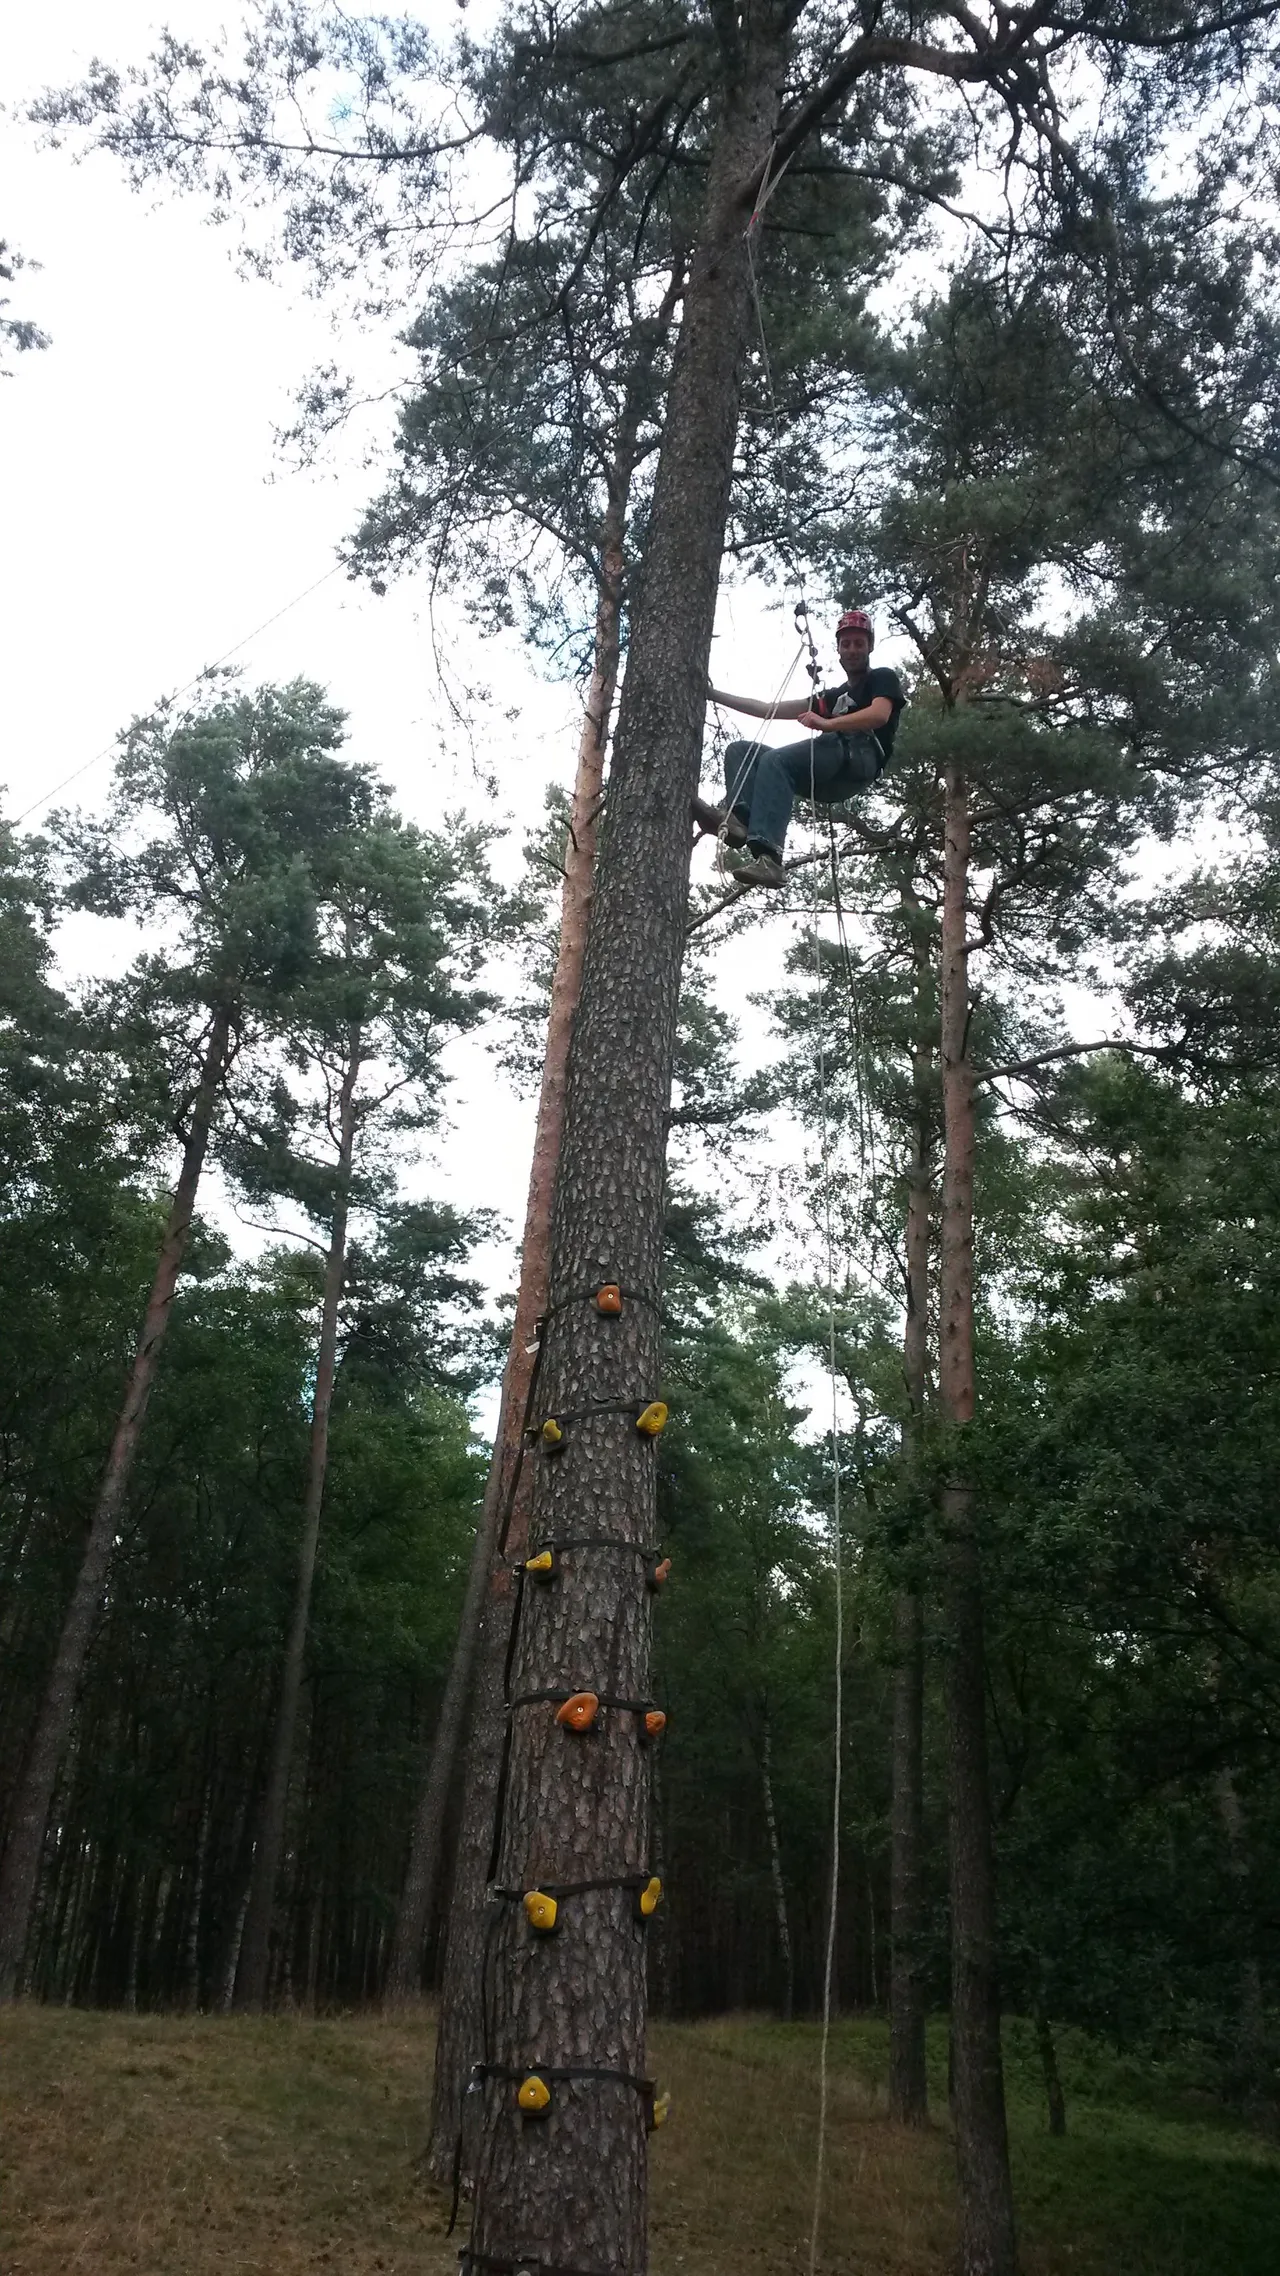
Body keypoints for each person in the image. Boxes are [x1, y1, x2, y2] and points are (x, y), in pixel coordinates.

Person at [695, 608, 907, 887]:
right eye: (846, 644)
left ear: (870, 646)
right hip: (829, 766)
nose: (853, 649)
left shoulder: (881, 677)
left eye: (859, 643)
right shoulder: (833, 697)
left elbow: (880, 714)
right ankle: (739, 821)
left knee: (775, 761)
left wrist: (828, 724)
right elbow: (768, 709)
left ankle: (769, 859)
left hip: (860, 756)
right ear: (838, 649)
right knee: (741, 751)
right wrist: (713, 694)